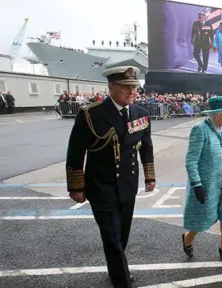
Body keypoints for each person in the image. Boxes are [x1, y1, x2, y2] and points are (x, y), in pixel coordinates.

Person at [65, 66, 155, 288]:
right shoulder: (91, 114)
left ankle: (116, 265)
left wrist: (149, 176)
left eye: (134, 87)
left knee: (122, 232)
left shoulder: (140, 113)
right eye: (126, 87)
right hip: (100, 185)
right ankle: (121, 280)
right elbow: (76, 152)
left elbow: (146, 146)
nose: (131, 92)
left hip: (128, 184)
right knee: (111, 234)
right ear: (111, 87)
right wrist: (76, 187)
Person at [181, 96, 222, 263]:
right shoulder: (200, 130)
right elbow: (191, 160)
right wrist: (196, 184)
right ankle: (188, 237)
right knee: (202, 219)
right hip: (207, 184)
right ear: (217, 114)